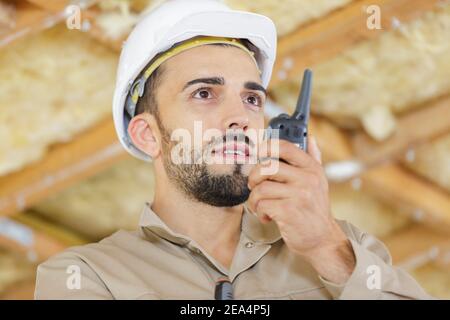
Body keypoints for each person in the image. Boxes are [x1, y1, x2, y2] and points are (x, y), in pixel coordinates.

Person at [35, 0, 432, 299]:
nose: (238, 118)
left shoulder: (348, 250)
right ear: (147, 135)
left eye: (252, 99)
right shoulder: (86, 276)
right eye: (205, 93)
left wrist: (327, 248)